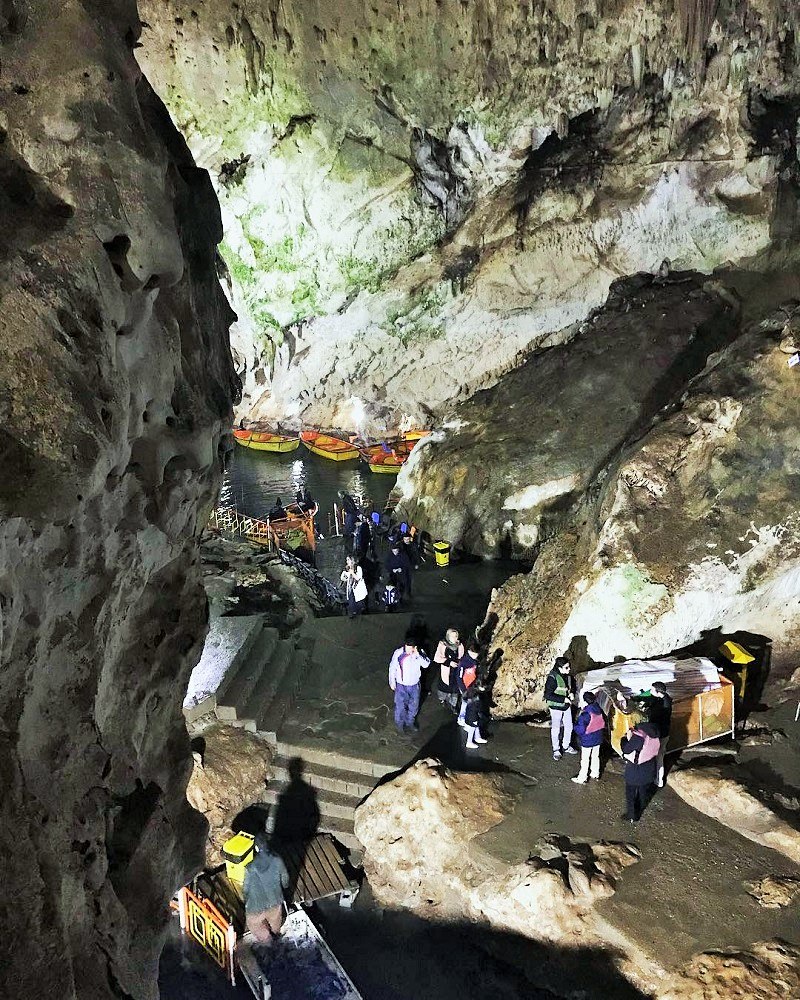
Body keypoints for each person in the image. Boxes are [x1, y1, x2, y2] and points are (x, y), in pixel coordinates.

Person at [242, 832, 290, 947]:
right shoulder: (277, 860)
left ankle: (267, 943)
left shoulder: (250, 866)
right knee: (275, 923)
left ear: (256, 848)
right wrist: (285, 887)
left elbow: (246, 888)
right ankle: (276, 939)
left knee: (255, 925)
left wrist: (245, 898)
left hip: (255, 905)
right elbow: (285, 878)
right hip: (275, 901)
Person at [620, 720, 660, 823]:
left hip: (636, 770)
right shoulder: (655, 734)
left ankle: (632, 815)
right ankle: (640, 808)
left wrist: (624, 739)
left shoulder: (639, 737)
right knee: (643, 792)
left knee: (631, 793)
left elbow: (626, 749)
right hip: (650, 767)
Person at [388, 638, 430, 733]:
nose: (407, 651)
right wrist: (392, 681)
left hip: (414, 685)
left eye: (410, 649)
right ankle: (399, 724)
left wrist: (418, 655)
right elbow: (392, 667)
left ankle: (410, 722)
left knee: (414, 706)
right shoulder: (398, 653)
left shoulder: (420, 653)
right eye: (406, 648)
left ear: (415, 647)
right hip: (401, 686)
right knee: (400, 706)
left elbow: (426, 664)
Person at [544, 656, 578, 760]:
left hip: (566, 706)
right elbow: (548, 695)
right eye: (566, 667)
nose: (569, 669)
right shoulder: (552, 678)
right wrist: (563, 699)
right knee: (556, 729)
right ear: (559, 668)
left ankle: (566, 746)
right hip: (556, 707)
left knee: (569, 727)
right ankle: (556, 749)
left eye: (569, 667)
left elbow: (572, 686)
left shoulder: (568, 677)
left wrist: (572, 693)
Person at [571, 691, 606, 783]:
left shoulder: (585, 714)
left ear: (585, 701)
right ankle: (595, 773)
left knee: (585, 759)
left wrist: (574, 726)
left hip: (588, 740)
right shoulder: (598, 709)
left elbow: (580, 729)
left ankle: (582, 778)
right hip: (598, 737)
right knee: (595, 756)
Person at [648, 681, 673, 788]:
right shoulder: (665, 699)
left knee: (658, 757)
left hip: (660, 734)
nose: (650, 691)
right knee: (660, 755)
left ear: (658, 692)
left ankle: (658, 779)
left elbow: (656, 716)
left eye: (652, 690)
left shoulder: (664, 705)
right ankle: (658, 779)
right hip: (664, 733)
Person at [434, 628, 464, 712]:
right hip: (446, 671)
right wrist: (449, 662)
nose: (454, 638)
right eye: (452, 636)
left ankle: (453, 705)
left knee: (455, 689)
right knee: (444, 688)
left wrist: (459, 663)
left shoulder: (459, 645)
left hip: (456, 671)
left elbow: (461, 656)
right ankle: (442, 699)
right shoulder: (443, 645)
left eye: (456, 636)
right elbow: (437, 658)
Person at [456, 640, 480, 727]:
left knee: (471, 703)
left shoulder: (476, 662)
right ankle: (462, 718)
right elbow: (459, 677)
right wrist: (463, 689)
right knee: (465, 703)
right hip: (465, 687)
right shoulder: (463, 662)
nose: (475, 656)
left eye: (476, 654)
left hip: (472, 686)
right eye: (473, 654)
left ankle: (469, 718)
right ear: (469, 652)